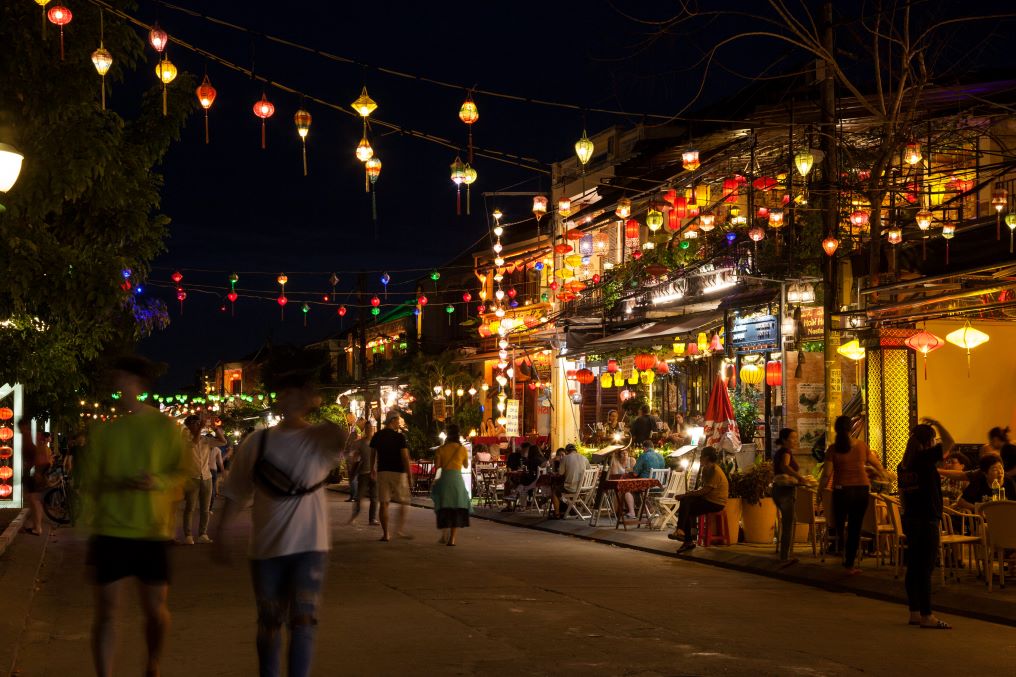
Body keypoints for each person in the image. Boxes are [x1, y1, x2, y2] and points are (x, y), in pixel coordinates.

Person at [214, 371, 346, 677]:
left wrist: (315, 404)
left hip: (310, 546)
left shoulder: (317, 439)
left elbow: (339, 438)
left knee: (303, 620)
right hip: (266, 549)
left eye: (295, 393)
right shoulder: (257, 442)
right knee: (269, 622)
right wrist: (221, 532)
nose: (288, 399)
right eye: (284, 393)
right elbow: (236, 491)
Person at [78, 355, 189, 677]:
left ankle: (152, 663)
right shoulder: (104, 430)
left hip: (151, 531)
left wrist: (156, 482)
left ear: (139, 384)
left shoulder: (165, 427)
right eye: (116, 379)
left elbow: (182, 474)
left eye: (124, 379)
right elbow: (90, 482)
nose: (118, 385)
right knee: (107, 612)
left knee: (155, 612)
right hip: (111, 531)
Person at [898, 418, 955, 629]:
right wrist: (939, 423)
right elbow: (950, 442)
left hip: (911, 519)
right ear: (929, 442)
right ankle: (927, 615)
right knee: (926, 568)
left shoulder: (904, 465)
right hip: (927, 520)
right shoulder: (924, 459)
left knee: (913, 567)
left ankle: (914, 612)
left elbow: (903, 495)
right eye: (933, 439)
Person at [819, 415, 887, 574]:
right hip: (861, 489)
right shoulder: (862, 446)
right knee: (855, 527)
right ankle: (850, 564)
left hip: (842, 490)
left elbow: (826, 474)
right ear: (851, 428)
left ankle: (842, 554)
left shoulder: (833, 449)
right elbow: (876, 463)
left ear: (836, 429)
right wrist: (882, 473)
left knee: (840, 524)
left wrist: (820, 491)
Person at [669, 446, 728, 553]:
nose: (700, 458)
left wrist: (686, 495)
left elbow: (705, 490)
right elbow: (702, 490)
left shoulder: (715, 470)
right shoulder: (706, 469)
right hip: (708, 499)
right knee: (686, 505)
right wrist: (688, 495)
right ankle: (684, 535)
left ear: (706, 458)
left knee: (686, 504)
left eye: (701, 456)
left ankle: (684, 536)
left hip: (716, 502)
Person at [181, 415, 227, 545]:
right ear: (189, 426)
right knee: (190, 508)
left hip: (206, 476)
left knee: (205, 509)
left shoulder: (206, 440)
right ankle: (188, 535)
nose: (196, 426)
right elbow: (193, 444)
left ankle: (203, 534)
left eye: (197, 424)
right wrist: (201, 429)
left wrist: (215, 429)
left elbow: (223, 442)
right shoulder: (185, 439)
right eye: (194, 424)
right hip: (192, 477)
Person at [771, 428, 813, 564]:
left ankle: (786, 554)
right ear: (784, 440)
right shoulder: (786, 452)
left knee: (789, 521)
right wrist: (801, 478)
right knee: (789, 523)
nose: (795, 441)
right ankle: (785, 556)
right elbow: (785, 466)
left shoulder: (779, 452)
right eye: (792, 438)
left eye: (796, 437)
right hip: (785, 491)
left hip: (779, 490)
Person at [371, 410, 412, 542]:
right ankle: (399, 530)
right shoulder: (400, 437)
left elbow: (373, 454)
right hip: (398, 472)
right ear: (393, 420)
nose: (399, 423)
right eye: (398, 420)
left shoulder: (377, 435)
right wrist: (410, 475)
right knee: (404, 501)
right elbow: (405, 457)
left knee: (384, 503)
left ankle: (386, 534)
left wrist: (373, 468)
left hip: (382, 471)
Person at [431, 423, 471, 546]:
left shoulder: (441, 449)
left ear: (447, 435)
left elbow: (437, 466)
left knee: (444, 507)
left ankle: (444, 533)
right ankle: (452, 539)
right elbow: (465, 465)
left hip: (445, 479)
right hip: (457, 480)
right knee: (456, 508)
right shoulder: (462, 449)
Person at [18, 420, 51, 536]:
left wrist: (35, 472)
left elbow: (33, 455)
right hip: (36, 471)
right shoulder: (30, 437)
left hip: (35, 471)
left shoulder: (28, 438)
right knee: (34, 499)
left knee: (34, 499)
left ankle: (37, 527)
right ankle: (36, 525)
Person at [349, 422, 378, 525]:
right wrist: (353, 466)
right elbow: (356, 457)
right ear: (365, 429)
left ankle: (372, 519)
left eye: (370, 428)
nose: (369, 429)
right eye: (367, 428)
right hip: (364, 473)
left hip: (374, 473)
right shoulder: (361, 443)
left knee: (374, 498)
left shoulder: (377, 442)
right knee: (359, 497)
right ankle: (354, 516)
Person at [552, 443, 590, 517]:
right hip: (584, 488)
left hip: (571, 488)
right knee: (566, 489)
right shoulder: (584, 458)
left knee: (555, 491)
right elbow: (589, 471)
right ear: (576, 450)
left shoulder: (565, 458)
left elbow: (560, 473)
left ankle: (557, 514)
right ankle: (572, 509)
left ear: (566, 451)